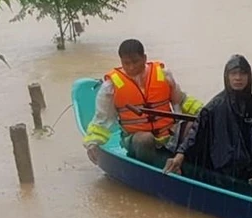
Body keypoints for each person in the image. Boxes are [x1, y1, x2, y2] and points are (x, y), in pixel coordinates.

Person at [164, 55, 252, 183]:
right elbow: (195, 134)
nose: (238, 78)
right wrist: (179, 156)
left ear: (249, 77)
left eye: (242, 73)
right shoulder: (213, 108)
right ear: (227, 77)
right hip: (220, 173)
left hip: (251, 175)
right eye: (233, 74)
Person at [82, 39, 202, 167]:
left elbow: (181, 100)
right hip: (136, 139)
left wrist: (204, 112)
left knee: (194, 127)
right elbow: (102, 118)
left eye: (135, 61)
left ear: (144, 58)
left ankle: (188, 166)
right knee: (145, 139)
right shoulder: (110, 86)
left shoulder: (163, 73)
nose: (131, 67)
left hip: (169, 134)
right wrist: (92, 143)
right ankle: (149, 169)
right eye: (126, 63)